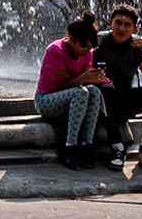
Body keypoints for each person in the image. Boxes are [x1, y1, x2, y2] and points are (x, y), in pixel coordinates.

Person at [94, 3, 142, 173]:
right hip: (101, 104)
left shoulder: (137, 47)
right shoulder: (99, 42)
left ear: (134, 28)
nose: (121, 28)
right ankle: (117, 148)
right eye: (118, 23)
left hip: (123, 101)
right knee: (106, 88)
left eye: (127, 25)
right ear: (111, 23)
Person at [34, 11, 105, 170]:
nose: (87, 50)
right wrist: (85, 78)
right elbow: (65, 84)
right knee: (82, 92)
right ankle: (70, 147)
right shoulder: (56, 50)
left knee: (94, 91)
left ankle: (87, 144)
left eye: (90, 47)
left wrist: (95, 78)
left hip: (73, 97)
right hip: (47, 100)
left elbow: (84, 79)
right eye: (83, 46)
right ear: (72, 40)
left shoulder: (87, 53)